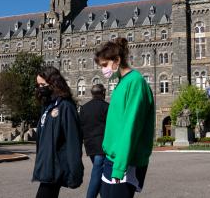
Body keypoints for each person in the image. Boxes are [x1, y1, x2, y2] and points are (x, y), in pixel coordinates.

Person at [94, 38, 155, 198]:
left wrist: (120, 167)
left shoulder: (135, 82)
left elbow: (131, 126)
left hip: (126, 162)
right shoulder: (121, 83)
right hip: (112, 159)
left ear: (117, 60)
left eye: (104, 65)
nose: (103, 70)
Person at [32, 66, 84, 198]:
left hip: (55, 167)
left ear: (53, 83)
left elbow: (73, 140)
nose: (40, 88)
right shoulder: (47, 106)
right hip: (46, 165)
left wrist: (75, 170)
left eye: (43, 84)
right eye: (38, 85)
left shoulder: (65, 106)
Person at [80, 84, 109, 198]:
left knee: (100, 172)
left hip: (89, 145)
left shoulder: (84, 108)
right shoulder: (106, 107)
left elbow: (81, 126)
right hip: (102, 145)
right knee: (97, 172)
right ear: (103, 93)